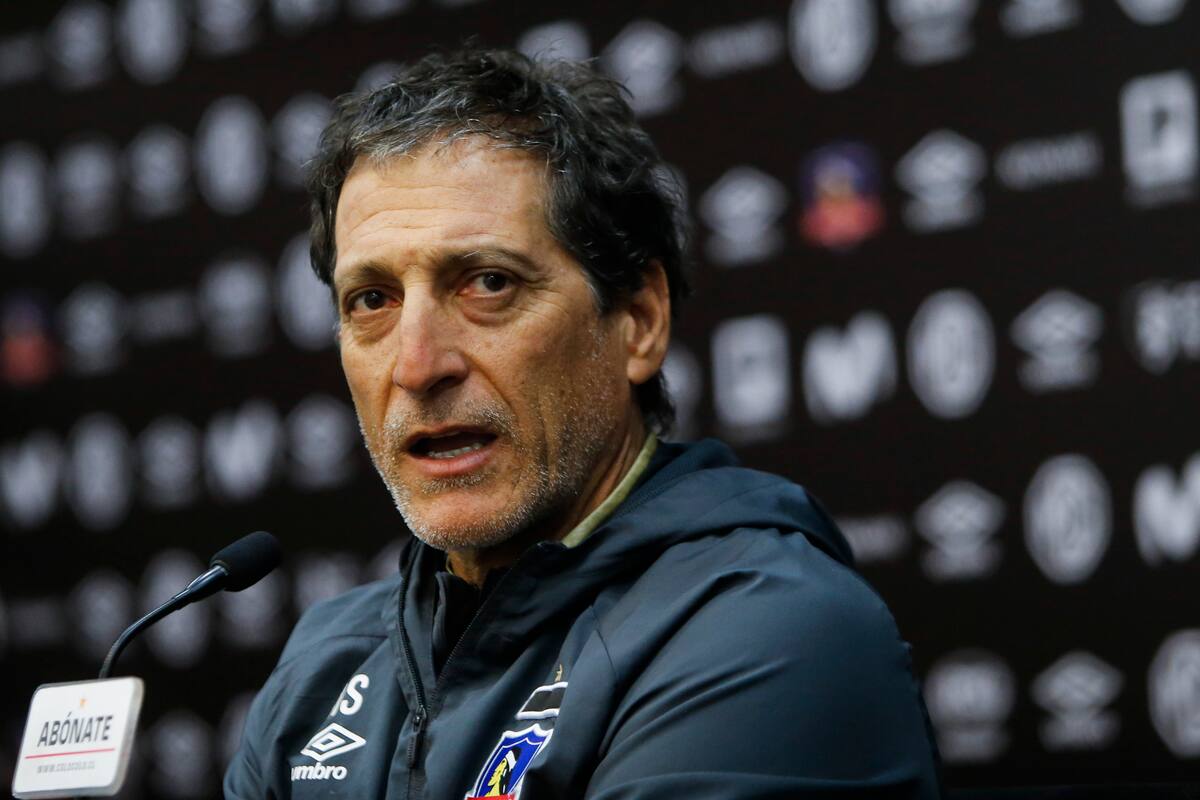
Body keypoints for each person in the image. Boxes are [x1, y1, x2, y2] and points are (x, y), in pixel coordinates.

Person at [225, 47, 943, 799]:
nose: (416, 365)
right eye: (372, 300)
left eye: (488, 283)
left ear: (638, 321)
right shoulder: (327, 663)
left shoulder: (772, 628)